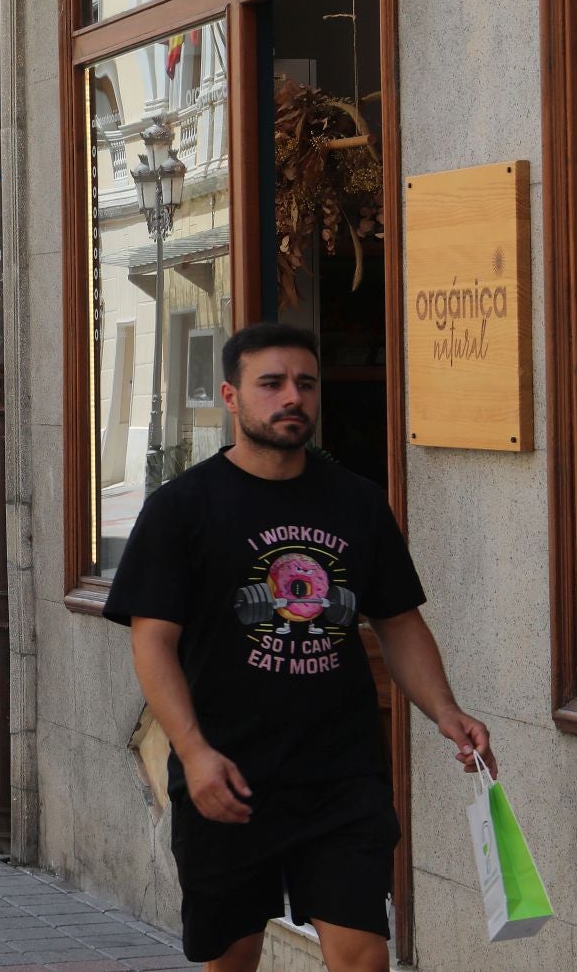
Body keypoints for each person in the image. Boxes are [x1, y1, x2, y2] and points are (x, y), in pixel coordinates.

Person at [104, 323, 495, 972]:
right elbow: (153, 643)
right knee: (232, 960)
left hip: (338, 776)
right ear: (231, 396)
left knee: (364, 956)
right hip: (227, 774)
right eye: (272, 383)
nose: (293, 397)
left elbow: (398, 622)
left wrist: (446, 711)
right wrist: (195, 753)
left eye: (305, 384)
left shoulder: (357, 502)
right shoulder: (183, 508)